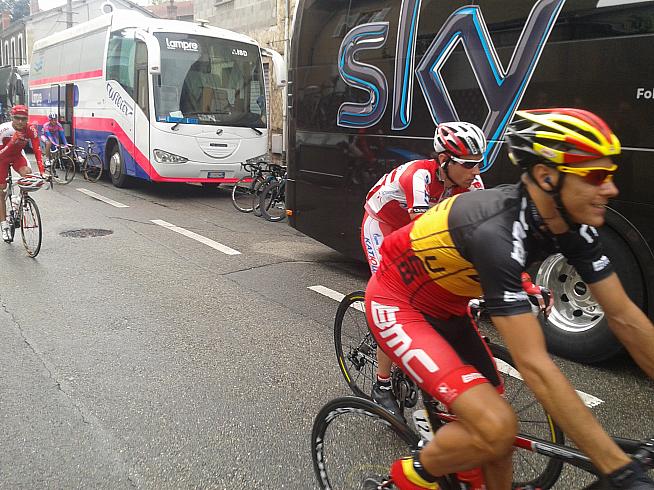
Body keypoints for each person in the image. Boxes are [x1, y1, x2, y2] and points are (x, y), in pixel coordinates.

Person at [365, 108, 654, 490]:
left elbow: (626, 318)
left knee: (496, 433)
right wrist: (617, 469)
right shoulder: (494, 231)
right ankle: (409, 477)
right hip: (399, 303)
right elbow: (533, 363)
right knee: (497, 425)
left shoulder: (571, 227)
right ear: (546, 176)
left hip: (449, 308)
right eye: (596, 177)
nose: (611, 189)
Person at [361, 121, 486, 416]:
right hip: (383, 225)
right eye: (469, 164)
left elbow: (482, 231)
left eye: (479, 163)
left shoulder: (472, 183)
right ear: (444, 160)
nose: (476, 171)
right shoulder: (418, 176)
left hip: (415, 229)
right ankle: (382, 384)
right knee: (395, 301)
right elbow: (424, 237)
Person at [0, 105, 46, 242]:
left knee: (28, 174)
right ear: (12, 117)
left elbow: (37, 150)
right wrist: (12, 142)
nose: (20, 122)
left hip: (17, 156)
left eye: (24, 119)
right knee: (1, 190)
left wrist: (42, 171)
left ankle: (19, 200)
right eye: (17, 118)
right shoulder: (4, 129)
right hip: (2, 158)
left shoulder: (31, 129)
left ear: (27, 119)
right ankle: (4, 225)